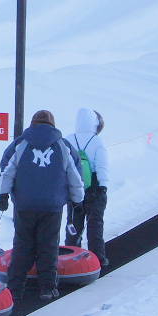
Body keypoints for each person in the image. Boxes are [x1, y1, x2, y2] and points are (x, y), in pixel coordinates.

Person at [0, 109, 84, 301]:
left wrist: (3, 195)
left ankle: (15, 289)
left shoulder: (20, 144)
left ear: (33, 123)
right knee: (48, 246)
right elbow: (75, 175)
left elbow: (7, 171)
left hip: (25, 204)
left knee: (22, 245)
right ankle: (47, 288)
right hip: (52, 206)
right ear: (52, 124)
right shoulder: (63, 145)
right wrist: (77, 200)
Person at [65, 108, 110, 268]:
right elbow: (102, 166)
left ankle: (70, 258)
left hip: (74, 190)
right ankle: (97, 259)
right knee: (95, 224)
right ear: (94, 123)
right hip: (95, 190)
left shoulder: (68, 140)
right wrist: (103, 186)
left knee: (73, 226)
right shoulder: (97, 141)